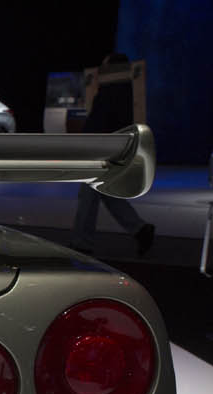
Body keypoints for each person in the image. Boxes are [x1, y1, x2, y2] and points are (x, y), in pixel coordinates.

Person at [69, 52, 155, 255]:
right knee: (106, 192)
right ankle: (140, 229)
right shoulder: (129, 92)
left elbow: (97, 123)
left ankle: (83, 243)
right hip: (116, 148)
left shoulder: (109, 92)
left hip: (102, 150)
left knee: (89, 195)